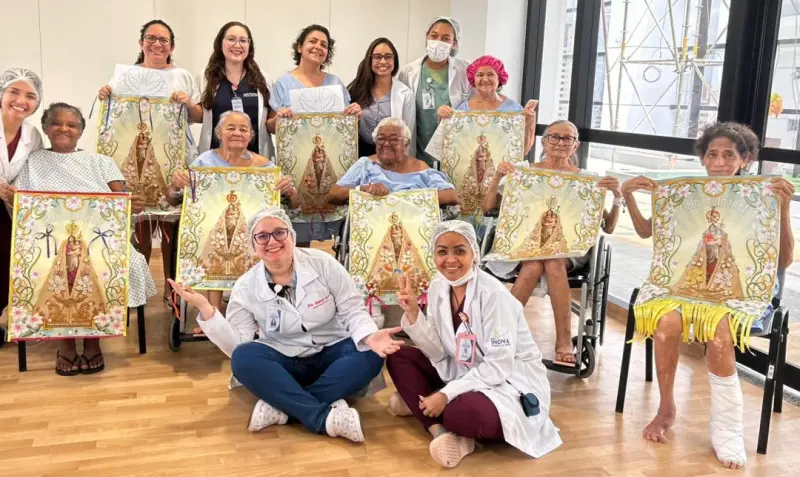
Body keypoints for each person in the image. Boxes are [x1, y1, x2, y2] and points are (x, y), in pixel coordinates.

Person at [621, 122, 795, 470]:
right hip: (689, 286)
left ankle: (727, 429)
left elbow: (785, 260)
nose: (719, 162)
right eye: (712, 154)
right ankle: (666, 408)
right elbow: (647, 232)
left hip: (742, 291)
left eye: (729, 155)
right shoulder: (688, 193)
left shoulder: (763, 195)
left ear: (744, 159)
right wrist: (627, 195)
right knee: (666, 324)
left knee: (719, 331)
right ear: (702, 159)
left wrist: (785, 208)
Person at [168, 207, 405, 443]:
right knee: (243, 357)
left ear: (292, 235)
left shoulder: (323, 264)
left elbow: (352, 309)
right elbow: (237, 345)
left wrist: (370, 336)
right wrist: (206, 308)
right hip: (284, 359)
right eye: (262, 236)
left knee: (371, 353)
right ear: (253, 245)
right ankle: (323, 417)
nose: (272, 241)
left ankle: (284, 406)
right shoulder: (245, 287)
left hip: (332, 351)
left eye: (279, 233)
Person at [385, 221, 561, 468]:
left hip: (507, 383)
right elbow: (437, 352)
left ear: (474, 254)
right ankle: (438, 430)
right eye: (442, 252)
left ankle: (424, 405)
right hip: (462, 373)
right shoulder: (437, 287)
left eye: (459, 251)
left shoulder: (494, 295)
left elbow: (499, 367)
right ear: (433, 255)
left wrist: (446, 394)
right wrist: (414, 314)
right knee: (397, 355)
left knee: (462, 413)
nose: (450, 260)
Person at [12, 103, 156, 374]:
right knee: (56, 264)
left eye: (72, 125)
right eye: (56, 123)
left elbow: (120, 199)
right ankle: (65, 343)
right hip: (48, 241)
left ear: (80, 131)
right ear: (46, 128)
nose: (64, 129)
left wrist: (131, 204)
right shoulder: (32, 162)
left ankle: (92, 340)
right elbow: (21, 205)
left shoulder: (101, 162)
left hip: (100, 238)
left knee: (104, 263)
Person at [482, 120, 622, 367]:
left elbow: (608, 227)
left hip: (568, 249)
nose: (560, 142)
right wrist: (497, 177)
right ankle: (504, 334)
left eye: (567, 138)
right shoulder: (524, 172)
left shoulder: (587, 181)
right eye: (554, 137)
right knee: (535, 264)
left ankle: (562, 340)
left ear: (575, 145)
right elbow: (488, 208)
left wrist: (617, 196)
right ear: (544, 142)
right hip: (525, 244)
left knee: (553, 260)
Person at [97, 19, 201, 302]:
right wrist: (105, 94)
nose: (157, 44)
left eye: (163, 40)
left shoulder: (182, 76)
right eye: (151, 38)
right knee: (139, 220)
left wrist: (187, 102)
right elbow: (113, 114)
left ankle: (172, 288)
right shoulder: (124, 76)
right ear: (141, 43)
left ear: (172, 46)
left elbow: (199, 115)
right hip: (134, 155)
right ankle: (137, 289)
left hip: (171, 157)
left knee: (171, 224)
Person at [167, 111, 300, 327]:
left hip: (252, 230)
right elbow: (174, 200)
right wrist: (176, 185)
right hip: (216, 227)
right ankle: (213, 314)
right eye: (231, 128)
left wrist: (290, 190)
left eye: (243, 129)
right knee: (212, 241)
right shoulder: (203, 162)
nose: (237, 133)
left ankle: (253, 315)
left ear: (251, 136)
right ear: (219, 132)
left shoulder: (264, 167)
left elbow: (295, 204)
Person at [268, 24, 362, 246]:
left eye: (324, 44)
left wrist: (354, 114)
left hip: (332, 167)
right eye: (313, 41)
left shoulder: (335, 83)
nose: (318, 47)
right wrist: (279, 118)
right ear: (299, 46)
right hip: (298, 168)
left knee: (332, 239)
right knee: (296, 238)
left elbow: (346, 126)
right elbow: (270, 126)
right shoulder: (283, 84)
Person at [0, 68, 44, 347]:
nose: (21, 101)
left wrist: (18, 191)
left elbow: (34, 172)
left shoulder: (33, 135)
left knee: (8, 258)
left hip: (8, 207)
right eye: (14, 92)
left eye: (30, 96)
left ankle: (3, 318)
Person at [426, 55, 538, 161]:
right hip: (469, 169)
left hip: (504, 170)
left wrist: (530, 124)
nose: (485, 79)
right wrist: (442, 119)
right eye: (480, 75)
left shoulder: (513, 108)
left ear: (499, 78)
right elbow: (451, 145)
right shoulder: (463, 109)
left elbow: (523, 150)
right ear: (473, 80)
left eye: (490, 74)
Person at [326, 117, 458, 207]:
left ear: (406, 143)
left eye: (394, 139)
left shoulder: (420, 168)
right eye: (381, 139)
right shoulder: (365, 164)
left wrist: (406, 198)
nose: (386, 144)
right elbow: (333, 195)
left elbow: (451, 196)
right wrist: (364, 189)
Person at [398, 17, 470, 165]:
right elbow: (402, 112)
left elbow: (475, 109)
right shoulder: (408, 72)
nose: (438, 42)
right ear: (427, 36)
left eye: (445, 38)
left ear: (454, 43)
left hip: (455, 150)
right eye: (434, 36)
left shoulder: (465, 71)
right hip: (419, 151)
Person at [197, 21, 274, 157]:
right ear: (220, 43)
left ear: (249, 46)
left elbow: (270, 121)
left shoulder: (264, 79)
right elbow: (198, 117)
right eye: (231, 39)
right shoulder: (205, 77)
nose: (237, 45)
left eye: (243, 40)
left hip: (256, 160)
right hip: (215, 160)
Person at [347, 37, 415, 157]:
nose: (383, 61)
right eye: (377, 57)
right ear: (370, 60)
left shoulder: (405, 94)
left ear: (394, 60)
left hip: (391, 155)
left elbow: (408, 135)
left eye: (388, 57)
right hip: (360, 154)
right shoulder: (357, 89)